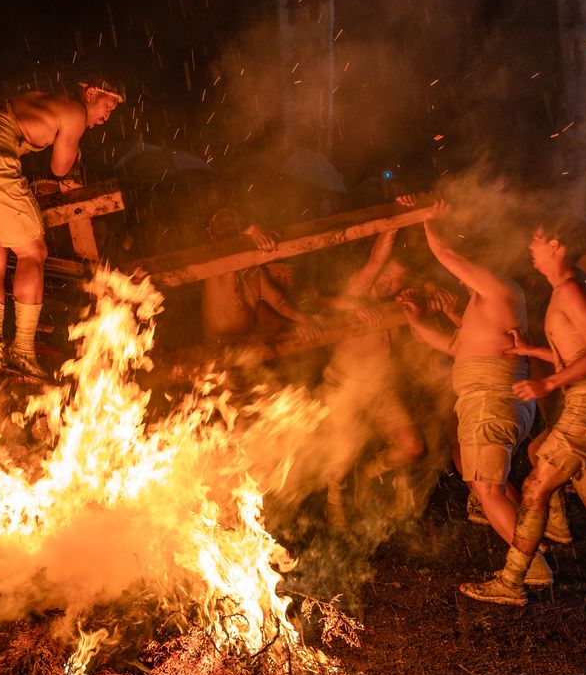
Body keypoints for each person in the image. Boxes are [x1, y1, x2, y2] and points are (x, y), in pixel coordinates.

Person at [460, 213, 586, 631]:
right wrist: (533, 351)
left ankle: (513, 579)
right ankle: (537, 556)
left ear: (556, 245)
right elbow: (578, 351)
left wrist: (548, 384)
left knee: (537, 484)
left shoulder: (573, 289)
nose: (530, 251)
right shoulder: (570, 288)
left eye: (536, 243)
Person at [400, 201, 549, 583]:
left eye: (468, 270)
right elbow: (457, 347)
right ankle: (533, 549)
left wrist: (426, 219)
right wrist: (417, 323)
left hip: (490, 402)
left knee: (486, 488)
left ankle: (530, 569)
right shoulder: (485, 302)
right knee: (492, 485)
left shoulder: (500, 290)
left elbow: (446, 254)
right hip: (489, 401)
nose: (460, 278)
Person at [0, 76, 123, 376]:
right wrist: (76, 150)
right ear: (91, 93)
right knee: (33, 253)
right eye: (108, 105)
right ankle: (23, 350)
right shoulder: (75, 112)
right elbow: (59, 168)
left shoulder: (45, 98)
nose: (107, 116)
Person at [321, 229, 425, 528]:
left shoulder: (398, 302)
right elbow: (377, 256)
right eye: (386, 275)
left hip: (382, 390)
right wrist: (393, 224)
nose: (389, 284)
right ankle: (335, 500)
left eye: (397, 281)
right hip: (345, 385)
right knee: (342, 451)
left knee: (411, 447)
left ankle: (370, 471)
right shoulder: (359, 291)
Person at [200, 207, 314, 340]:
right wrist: (252, 231)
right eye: (221, 222)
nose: (227, 224)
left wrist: (302, 318)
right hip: (219, 344)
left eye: (232, 220)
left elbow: (277, 299)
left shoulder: (253, 268)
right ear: (211, 234)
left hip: (249, 338)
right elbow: (228, 243)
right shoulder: (212, 261)